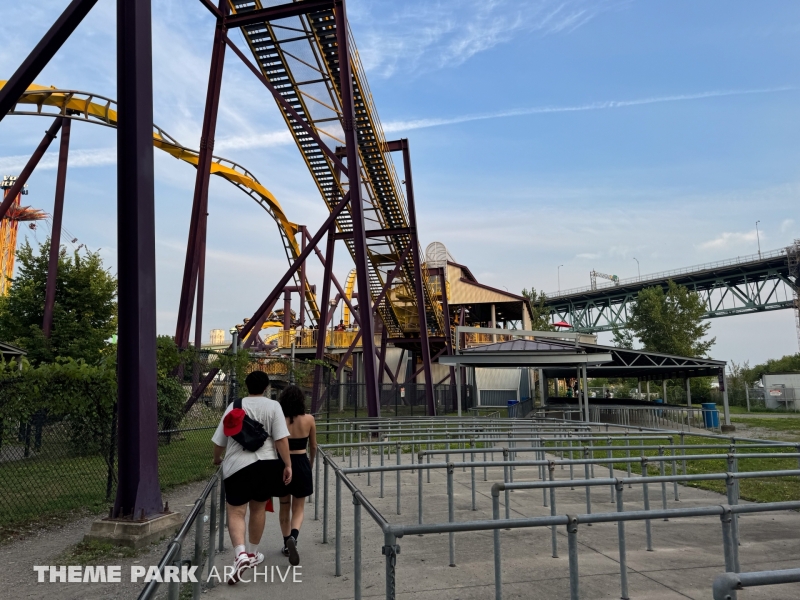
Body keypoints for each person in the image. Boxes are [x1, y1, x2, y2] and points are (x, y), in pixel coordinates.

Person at [212, 371, 292, 584]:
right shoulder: (273, 406)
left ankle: (240, 555)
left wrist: (217, 458)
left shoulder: (234, 406)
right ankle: (253, 554)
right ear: (266, 387)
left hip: (237, 466)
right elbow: (281, 440)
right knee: (258, 509)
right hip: (266, 465)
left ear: (246, 387)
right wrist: (287, 465)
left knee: (236, 512)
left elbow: (220, 440)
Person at [276, 384, 317, 567]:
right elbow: (314, 446)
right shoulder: (309, 420)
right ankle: (294, 536)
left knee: (284, 505)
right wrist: (311, 464)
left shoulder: (279, 420)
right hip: (301, 462)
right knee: (299, 507)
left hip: (282, 464)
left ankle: (286, 543)